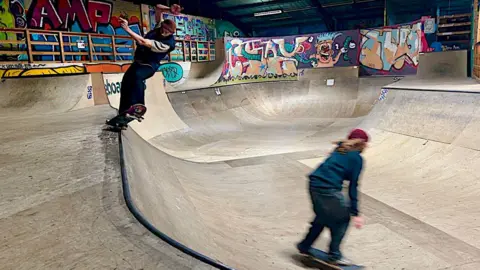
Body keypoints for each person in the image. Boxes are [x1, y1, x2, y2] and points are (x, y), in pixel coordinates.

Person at [297, 128, 368, 266]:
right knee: (342, 218)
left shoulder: (340, 149)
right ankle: (334, 255)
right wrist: (355, 213)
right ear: (362, 144)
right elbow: (353, 186)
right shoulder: (357, 158)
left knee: (323, 217)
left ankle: (305, 245)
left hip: (313, 184)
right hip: (327, 188)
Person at [116, 17, 176, 114]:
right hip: (138, 62)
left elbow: (143, 42)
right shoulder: (159, 26)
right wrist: (169, 9)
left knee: (138, 76)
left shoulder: (167, 44)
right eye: (165, 30)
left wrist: (127, 29)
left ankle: (138, 106)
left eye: (169, 33)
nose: (165, 33)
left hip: (149, 65)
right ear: (162, 26)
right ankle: (124, 111)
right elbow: (158, 8)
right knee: (126, 82)